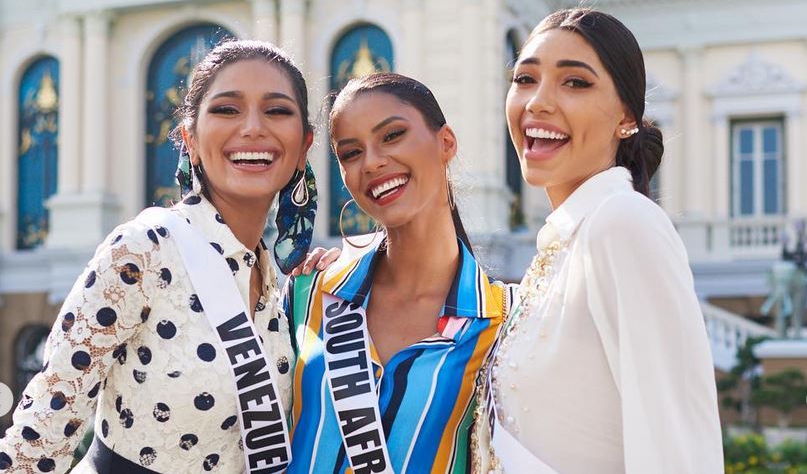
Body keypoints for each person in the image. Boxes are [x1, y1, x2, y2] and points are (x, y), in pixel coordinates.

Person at [0, 40, 319, 473]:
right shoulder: (144, 250)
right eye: (227, 109)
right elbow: (41, 433)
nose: (253, 128)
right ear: (189, 137)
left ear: (304, 145)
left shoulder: (275, 286)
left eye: (277, 111)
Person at [478, 8, 723, 473]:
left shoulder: (623, 223)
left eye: (575, 83)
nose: (538, 103)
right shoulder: (560, 247)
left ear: (627, 117)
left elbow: (678, 448)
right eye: (525, 79)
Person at [283, 73, 513, 473]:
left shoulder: (503, 324)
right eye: (351, 153)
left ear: (446, 143)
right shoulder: (308, 292)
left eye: (392, 136)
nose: (372, 162)